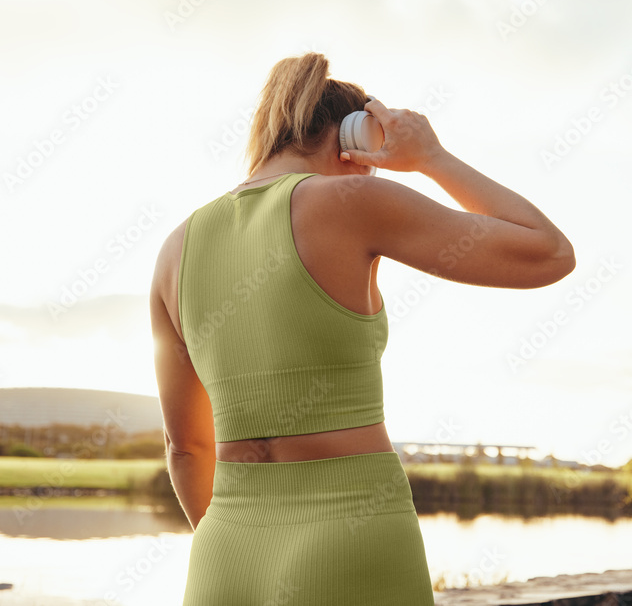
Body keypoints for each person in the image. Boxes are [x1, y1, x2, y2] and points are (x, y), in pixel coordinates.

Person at [149, 53, 575, 605]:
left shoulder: (174, 250)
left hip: (224, 555)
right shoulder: (350, 201)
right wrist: (430, 157)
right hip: (350, 533)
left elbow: (186, 448)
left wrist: (243, 538)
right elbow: (547, 253)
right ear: (358, 138)